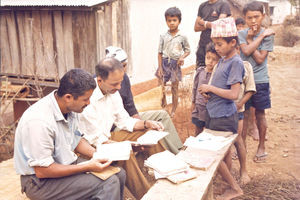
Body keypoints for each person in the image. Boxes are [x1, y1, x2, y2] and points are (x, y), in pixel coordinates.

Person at [14, 69, 126, 200]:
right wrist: (87, 166)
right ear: (68, 97)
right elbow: (42, 170)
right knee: (108, 183)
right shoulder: (39, 121)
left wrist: (99, 155)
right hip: (39, 182)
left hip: (65, 164)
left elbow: (76, 140)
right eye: (86, 99)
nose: (89, 103)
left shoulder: (70, 108)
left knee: (119, 174)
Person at [78, 57, 166, 199]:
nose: (119, 87)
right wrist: (125, 145)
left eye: (120, 82)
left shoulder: (112, 92)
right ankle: (148, 195)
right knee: (125, 153)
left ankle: (169, 175)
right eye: (115, 84)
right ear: (99, 80)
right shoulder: (88, 100)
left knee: (149, 134)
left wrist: (146, 124)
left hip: (107, 138)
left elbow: (125, 121)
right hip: (89, 147)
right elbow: (96, 140)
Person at [106, 46, 183, 154]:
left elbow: (130, 106)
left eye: (124, 66)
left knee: (162, 116)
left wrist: (141, 122)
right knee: (148, 131)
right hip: (115, 127)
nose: (123, 70)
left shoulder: (124, 79)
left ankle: (178, 150)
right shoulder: (101, 85)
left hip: (126, 119)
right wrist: (142, 125)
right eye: (120, 67)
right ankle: (171, 155)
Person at [199, 17, 244, 200]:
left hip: (224, 116)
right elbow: (222, 88)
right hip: (214, 113)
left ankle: (235, 188)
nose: (216, 48)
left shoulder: (236, 62)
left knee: (213, 155)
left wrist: (210, 88)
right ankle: (228, 185)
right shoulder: (224, 60)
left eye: (219, 44)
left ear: (232, 42)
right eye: (214, 44)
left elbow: (234, 94)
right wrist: (209, 94)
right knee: (220, 155)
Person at [238, 1, 275, 163]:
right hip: (244, 81)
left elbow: (260, 59)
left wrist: (253, 39)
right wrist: (256, 38)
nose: (253, 21)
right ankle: (241, 145)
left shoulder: (268, 35)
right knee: (244, 115)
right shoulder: (241, 34)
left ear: (263, 16)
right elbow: (244, 50)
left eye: (256, 17)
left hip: (260, 80)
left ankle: (261, 147)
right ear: (244, 18)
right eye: (249, 18)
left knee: (260, 114)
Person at [156, 7, 190, 117]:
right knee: (161, 86)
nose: (172, 23)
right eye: (169, 21)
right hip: (164, 63)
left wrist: (182, 57)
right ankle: (163, 107)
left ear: (179, 21)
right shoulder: (163, 36)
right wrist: (160, 67)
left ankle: (174, 110)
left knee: (175, 88)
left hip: (175, 65)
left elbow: (188, 50)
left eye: (174, 20)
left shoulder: (182, 37)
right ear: (166, 21)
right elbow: (160, 52)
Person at [191, 42, 220, 135]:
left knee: (210, 132)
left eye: (214, 59)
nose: (210, 61)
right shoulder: (200, 71)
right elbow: (195, 88)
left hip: (211, 109)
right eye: (208, 58)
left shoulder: (218, 75)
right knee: (198, 130)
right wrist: (193, 103)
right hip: (199, 107)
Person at [194, 0, 231, 68]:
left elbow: (218, 25)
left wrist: (204, 23)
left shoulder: (223, 4)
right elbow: (196, 28)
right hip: (202, 45)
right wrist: (210, 25)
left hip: (215, 46)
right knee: (200, 71)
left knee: (216, 70)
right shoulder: (202, 6)